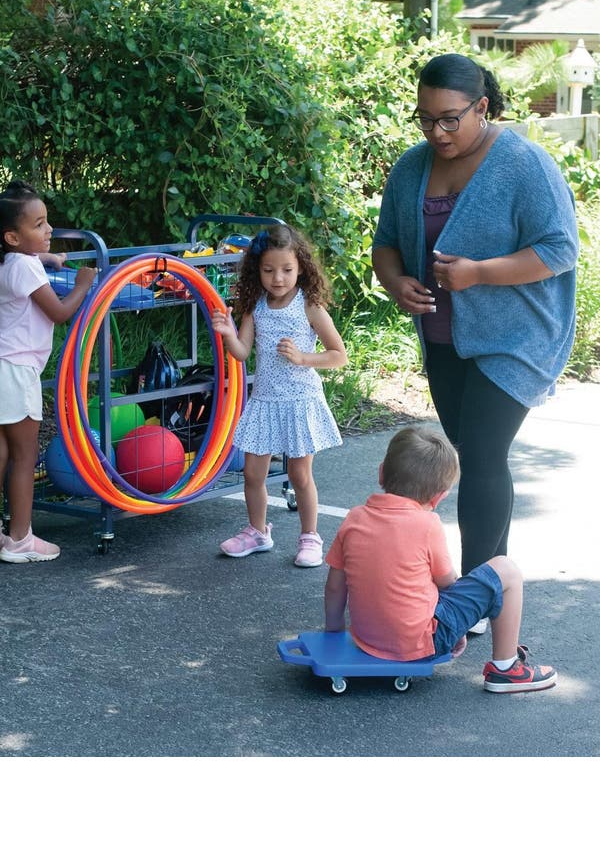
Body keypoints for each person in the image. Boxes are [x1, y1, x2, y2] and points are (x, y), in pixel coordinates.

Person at [371, 52, 578, 631]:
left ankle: (473, 594)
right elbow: (386, 243)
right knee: (473, 455)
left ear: (482, 107)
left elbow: (558, 250)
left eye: (449, 119)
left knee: (484, 455)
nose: (437, 132)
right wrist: (395, 283)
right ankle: (493, 586)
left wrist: (480, 272)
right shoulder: (412, 168)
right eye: (424, 119)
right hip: (443, 338)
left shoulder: (524, 164)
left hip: (514, 337)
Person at [324, 426, 557, 693]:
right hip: (420, 642)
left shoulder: (354, 518)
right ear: (439, 496)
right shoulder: (427, 524)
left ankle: (505, 664)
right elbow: (447, 583)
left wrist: (334, 635)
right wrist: (456, 627)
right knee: (506, 570)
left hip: (366, 638)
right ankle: (507, 669)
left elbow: (335, 586)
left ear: (380, 472)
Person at [0, 180, 97, 563]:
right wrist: (84, 285)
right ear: (12, 235)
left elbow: (25, 265)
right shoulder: (24, 265)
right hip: (14, 371)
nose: (49, 230)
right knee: (25, 458)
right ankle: (21, 538)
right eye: (38, 225)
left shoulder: (3, 261)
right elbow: (59, 312)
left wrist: (46, 258)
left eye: (47, 221)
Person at [211, 223, 348, 567]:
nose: (278, 278)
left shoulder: (309, 306)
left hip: (300, 401)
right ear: (257, 270)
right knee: (254, 475)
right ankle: (258, 533)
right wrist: (229, 333)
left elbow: (338, 355)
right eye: (269, 270)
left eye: (287, 270)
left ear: (301, 266)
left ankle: (310, 537)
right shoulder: (255, 306)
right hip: (265, 402)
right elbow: (242, 353)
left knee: (300, 476)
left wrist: (304, 358)